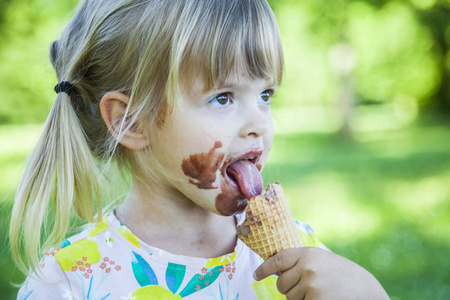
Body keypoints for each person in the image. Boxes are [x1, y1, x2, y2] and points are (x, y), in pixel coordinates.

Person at [10, 0, 389, 299]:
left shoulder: (304, 260)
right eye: (223, 98)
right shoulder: (70, 281)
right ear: (131, 121)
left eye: (265, 95)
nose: (259, 122)